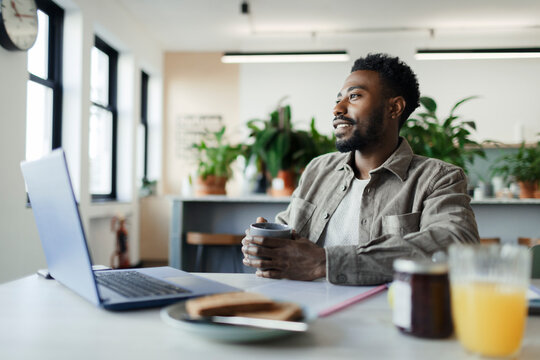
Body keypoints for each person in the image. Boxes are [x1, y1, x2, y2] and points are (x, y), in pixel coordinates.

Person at [241, 53, 479, 285]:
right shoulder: (318, 169)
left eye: (354, 96)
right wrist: (264, 245)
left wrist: (325, 263)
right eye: (338, 100)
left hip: (384, 315)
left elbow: (456, 243)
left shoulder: (437, 178)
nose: (338, 109)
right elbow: (289, 228)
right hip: (302, 310)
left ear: (394, 108)